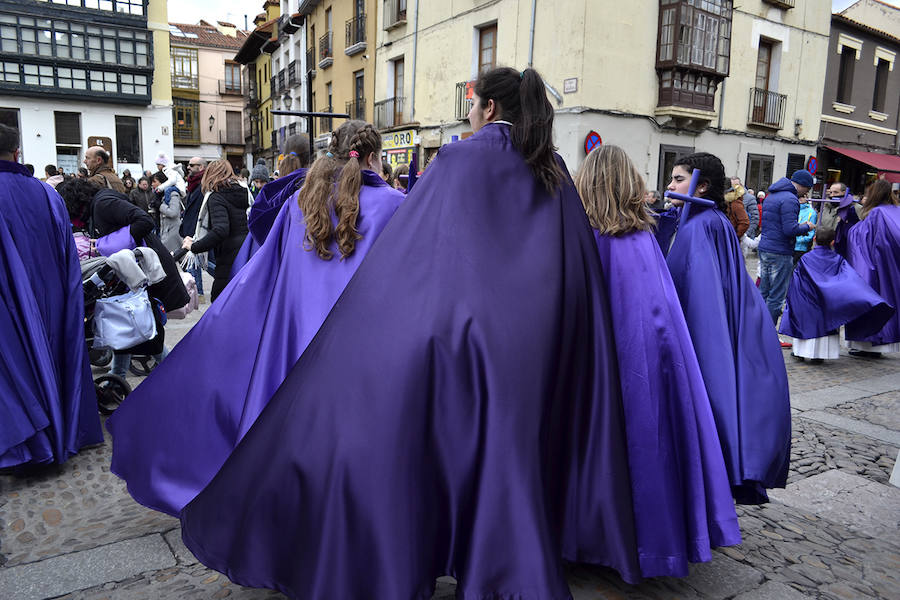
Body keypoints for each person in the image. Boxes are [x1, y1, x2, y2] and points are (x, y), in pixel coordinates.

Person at [175, 67, 643, 599]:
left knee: (436, 448)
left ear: (488, 109)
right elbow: (574, 264)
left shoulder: (462, 159)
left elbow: (420, 254)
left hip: (467, 339)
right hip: (538, 341)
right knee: (513, 455)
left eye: (472, 102)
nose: (469, 111)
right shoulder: (554, 168)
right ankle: (509, 565)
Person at [108, 120, 404, 518]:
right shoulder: (395, 205)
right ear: (373, 157)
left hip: (298, 339)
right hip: (362, 345)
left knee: (295, 431)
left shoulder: (301, 202)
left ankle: (291, 509)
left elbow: (262, 272)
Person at [576, 145, 740, 578]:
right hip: (649, 364)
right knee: (648, 446)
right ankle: (649, 541)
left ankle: (591, 537)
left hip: (600, 367)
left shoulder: (582, 238)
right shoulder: (643, 237)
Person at [665, 152, 791, 505]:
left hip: (703, 337)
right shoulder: (710, 220)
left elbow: (702, 298)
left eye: (677, 179)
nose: (669, 185)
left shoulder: (702, 225)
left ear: (701, 186)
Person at [0, 124, 102, 468]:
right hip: (53, 295)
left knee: (16, 368)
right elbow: (67, 254)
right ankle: (65, 432)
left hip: (9, 303)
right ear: (17, 153)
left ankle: (29, 446)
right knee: (58, 359)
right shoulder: (46, 194)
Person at [779, 227, 893, 363]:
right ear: (833, 242)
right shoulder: (838, 259)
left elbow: (797, 282)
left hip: (807, 301)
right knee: (824, 321)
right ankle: (820, 355)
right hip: (828, 301)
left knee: (807, 322)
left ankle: (801, 352)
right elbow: (850, 279)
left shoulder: (805, 258)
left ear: (814, 239)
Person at [180, 160, 250, 300]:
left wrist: (194, 246)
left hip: (228, 257)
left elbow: (221, 229)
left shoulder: (216, 196)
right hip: (246, 252)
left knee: (219, 302)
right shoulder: (244, 192)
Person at [845, 179, 900, 357]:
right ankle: (881, 343)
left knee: (871, 301)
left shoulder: (876, 214)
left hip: (874, 267)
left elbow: (861, 240)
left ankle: (868, 345)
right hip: (891, 267)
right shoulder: (895, 211)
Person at [757, 170, 816, 324]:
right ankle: (768, 334)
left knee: (764, 291)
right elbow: (790, 229)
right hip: (780, 252)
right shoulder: (790, 199)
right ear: (802, 185)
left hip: (765, 248)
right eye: (807, 189)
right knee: (776, 296)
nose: (806, 194)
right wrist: (807, 226)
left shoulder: (772, 195)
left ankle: (756, 328)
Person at [180, 157, 207, 299]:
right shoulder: (192, 183)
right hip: (190, 227)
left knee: (207, 262)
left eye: (191, 165)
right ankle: (198, 293)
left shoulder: (204, 184)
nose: (188, 167)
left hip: (199, 229)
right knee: (194, 261)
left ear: (201, 167)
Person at [818, 182, 862, 258]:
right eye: (831, 192)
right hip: (823, 251)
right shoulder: (825, 206)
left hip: (844, 251)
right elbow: (818, 228)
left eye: (836, 192)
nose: (832, 195)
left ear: (844, 192)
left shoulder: (855, 208)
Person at [150, 171, 183, 253]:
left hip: (172, 232)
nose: (152, 184)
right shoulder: (160, 195)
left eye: (154, 182)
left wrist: (160, 206)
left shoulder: (172, 194)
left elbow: (173, 212)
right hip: (164, 231)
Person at [794, 192, 817, 265]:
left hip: (801, 248)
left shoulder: (811, 212)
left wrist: (798, 240)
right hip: (789, 246)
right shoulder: (791, 209)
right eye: (799, 196)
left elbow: (811, 232)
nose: (801, 198)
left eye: (803, 196)